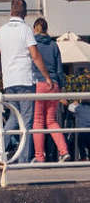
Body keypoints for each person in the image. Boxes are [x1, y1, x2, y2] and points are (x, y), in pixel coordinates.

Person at [0, 0, 53, 164]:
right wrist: (46, 77)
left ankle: (0, 148)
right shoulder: (26, 30)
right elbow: (35, 55)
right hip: (25, 80)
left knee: (14, 118)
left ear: (10, 12)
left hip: (9, 82)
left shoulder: (1, 31)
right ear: (25, 13)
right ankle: (23, 159)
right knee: (26, 120)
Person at [31, 17, 70, 163]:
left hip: (39, 84)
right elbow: (60, 70)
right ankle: (64, 151)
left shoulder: (33, 44)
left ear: (35, 29)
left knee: (38, 121)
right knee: (52, 121)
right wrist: (61, 89)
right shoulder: (54, 45)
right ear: (47, 29)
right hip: (53, 85)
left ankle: (40, 157)